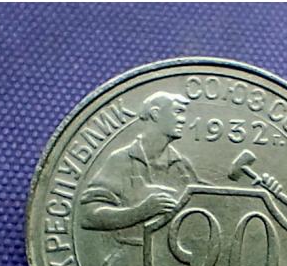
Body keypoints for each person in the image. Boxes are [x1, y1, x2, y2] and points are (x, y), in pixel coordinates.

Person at [79, 91, 201, 246]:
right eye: (177, 112)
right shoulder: (121, 160)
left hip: (170, 254)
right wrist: (140, 212)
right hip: (131, 254)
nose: (183, 120)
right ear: (155, 114)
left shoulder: (181, 166)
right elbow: (88, 216)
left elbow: (202, 202)